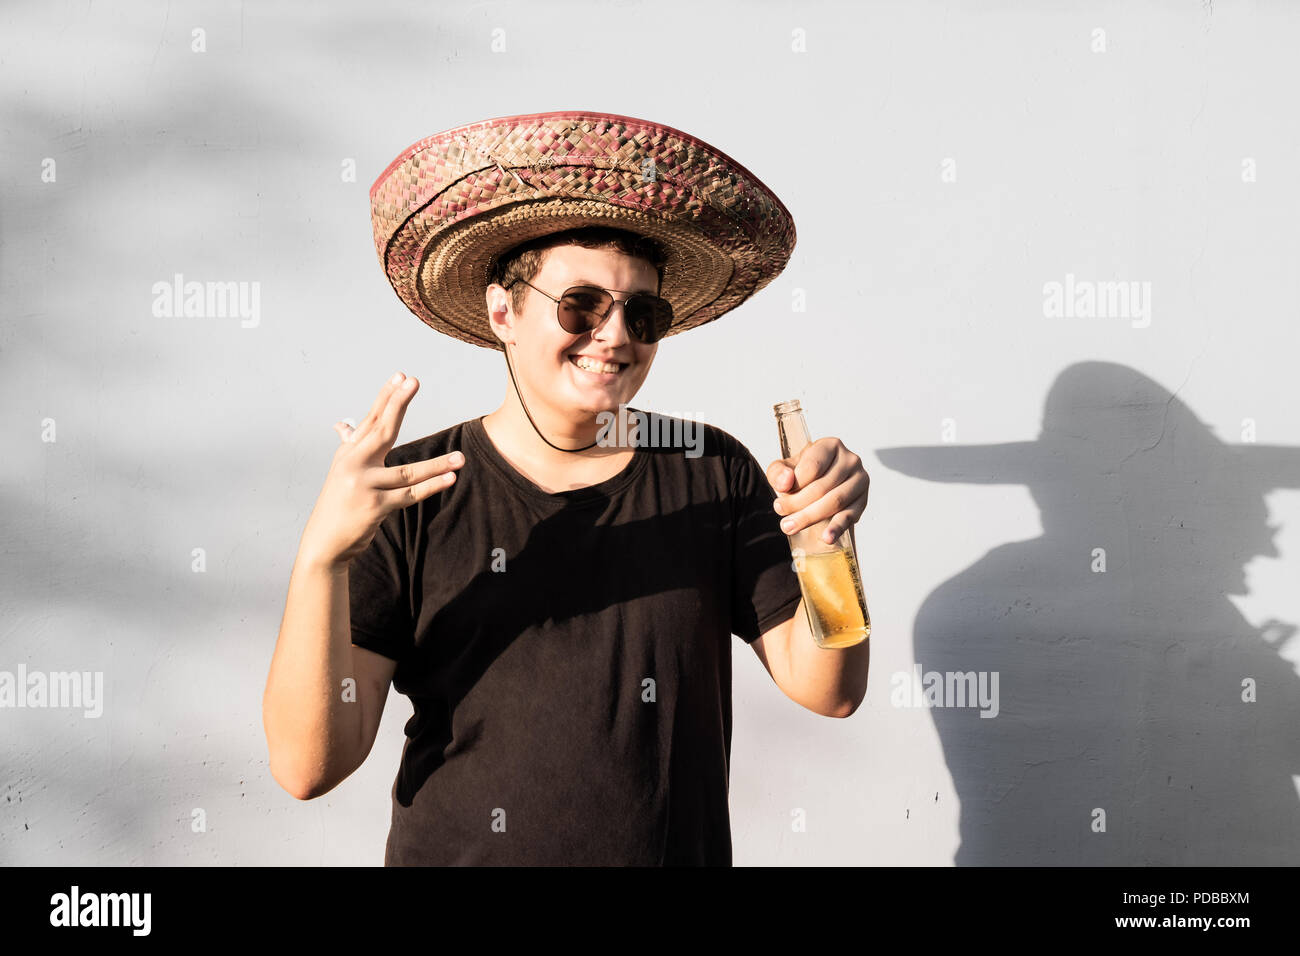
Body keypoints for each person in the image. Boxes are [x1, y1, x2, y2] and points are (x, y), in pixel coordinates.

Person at [262, 112, 872, 865]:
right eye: (581, 305)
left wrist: (826, 538)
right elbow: (306, 768)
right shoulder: (411, 492)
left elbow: (829, 689)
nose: (615, 336)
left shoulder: (714, 471)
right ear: (502, 311)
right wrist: (322, 555)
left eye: (642, 314)